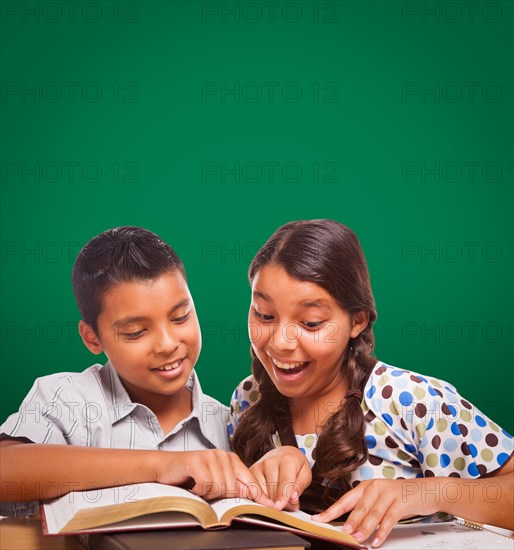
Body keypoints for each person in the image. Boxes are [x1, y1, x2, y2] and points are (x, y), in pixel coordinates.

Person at [229, 219, 514, 548]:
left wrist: (426, 493)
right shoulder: (247, 398)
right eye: (264, 315)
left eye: (310, 323)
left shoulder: (412, 400)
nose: (280, 342)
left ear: (357, 320)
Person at [1, 226, 271, 515]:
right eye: (135, 332)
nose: (167, 344)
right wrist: (161, 465)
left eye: (180, 317)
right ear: (92, 337)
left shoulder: (227, 422)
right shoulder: (66, 399)